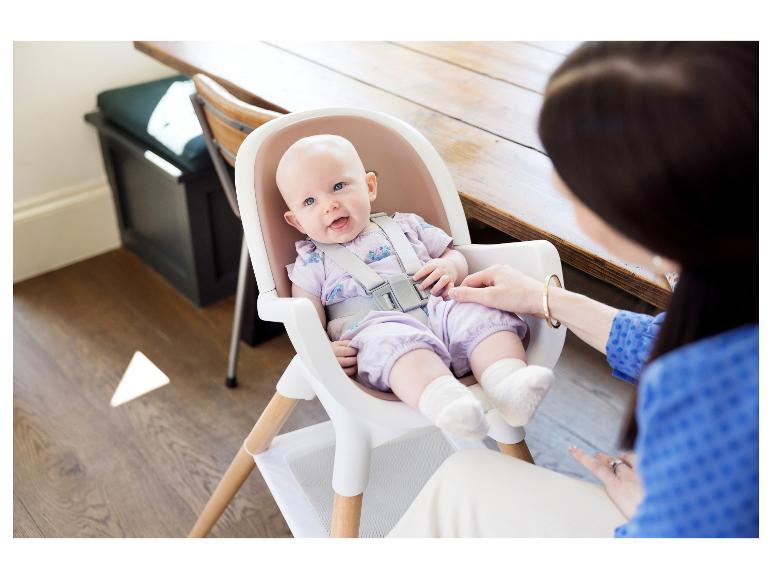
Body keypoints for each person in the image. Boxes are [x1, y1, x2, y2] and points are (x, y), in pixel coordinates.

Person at [386, 42, 759, 537]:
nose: (561, 188)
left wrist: (650, 514)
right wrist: (546, 299)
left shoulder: (705, 389)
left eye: (573, 186)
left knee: (461, 479)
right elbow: (670, 338)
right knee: (465, 473)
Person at [276, 134, 555, 442]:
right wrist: (321, 348)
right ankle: (446, 402)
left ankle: (508, 382)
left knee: (478, 310)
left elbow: (454, 253)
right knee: (391, 343)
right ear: (298, 222)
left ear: (369, 186)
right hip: (378, 330)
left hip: (442, 311)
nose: (329, 205)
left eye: (338, 186)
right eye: (310, 201)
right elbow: (304, 314)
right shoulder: (311, 262)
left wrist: (450, 266)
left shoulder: (406, 225)